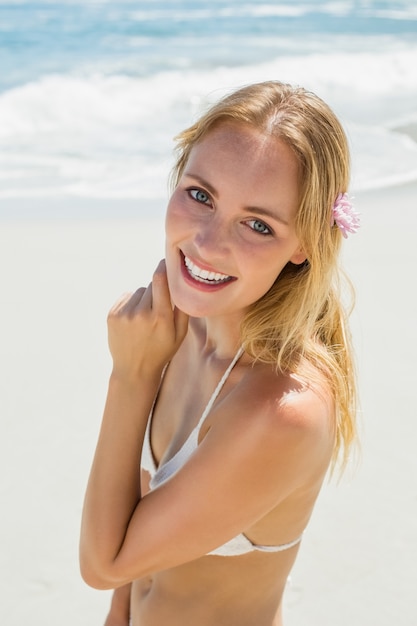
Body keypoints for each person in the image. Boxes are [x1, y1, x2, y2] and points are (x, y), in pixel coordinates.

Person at [79, 80, 359, 626]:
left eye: (258, 224)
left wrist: (131, 377)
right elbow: (129, 569)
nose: (207, 243)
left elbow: (104, 563)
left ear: (304, 243)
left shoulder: (281, 410)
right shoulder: (182, 326)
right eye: (200, 195)